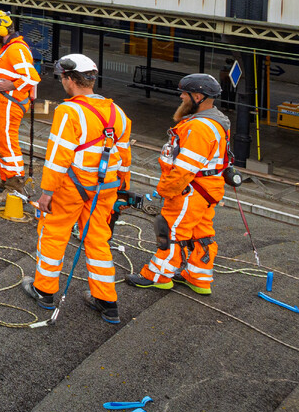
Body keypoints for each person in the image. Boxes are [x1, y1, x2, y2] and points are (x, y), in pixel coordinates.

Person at [22, 54, 132, 324]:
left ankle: (44, 292)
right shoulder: (118, 112)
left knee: (53, 235)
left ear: (70, 79)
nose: (62, 82)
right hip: (105, 188)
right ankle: (107, 302)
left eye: (62, 78)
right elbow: (125, 156)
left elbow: (59, 156)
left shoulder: (69, 111)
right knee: (97, 240)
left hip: (71, 187)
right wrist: (123, 189)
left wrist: (47, 192)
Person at [128, 74, 229, 294]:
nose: (181, 97)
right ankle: (198, 277)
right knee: (202, 234)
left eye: (184, 93)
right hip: (207, 190)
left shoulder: (199, 128)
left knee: (171, 232)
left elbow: (184, 168)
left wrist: (163, 192)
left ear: (198, 96)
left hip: (190, 190)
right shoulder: (216, 122)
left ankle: (158, 276)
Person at [0, 10, 40, 208]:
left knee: (7, 143)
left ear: (2, 28)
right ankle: (7, 180)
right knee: (0, 141)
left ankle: (14, 188)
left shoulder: (16, 49)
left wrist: (10, 86)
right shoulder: (8, 48)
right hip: (3, 104)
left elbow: (32, 77)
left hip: (9, 104)